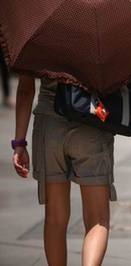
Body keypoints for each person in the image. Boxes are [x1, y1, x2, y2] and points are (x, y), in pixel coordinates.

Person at [12, 75, 116, 266]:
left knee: (55, 218)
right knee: (97, 218)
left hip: (50, 125)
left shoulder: (33, 44)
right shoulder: (97, 42)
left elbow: (26, 90)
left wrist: (19, 143)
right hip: (91, 120)